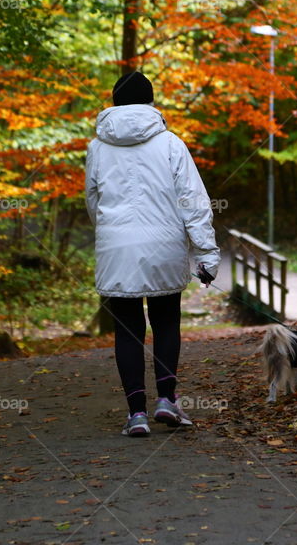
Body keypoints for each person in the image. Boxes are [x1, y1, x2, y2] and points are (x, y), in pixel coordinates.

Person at [85, 71, 221, 437]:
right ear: (150, 103)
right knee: (165, 322)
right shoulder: (171, 144)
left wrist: (110, 234)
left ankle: (135, 414)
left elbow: (93, 200)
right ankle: (166, 399)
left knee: (127, 331)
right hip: (164, 246)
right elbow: (193, 202)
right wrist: (205, 253)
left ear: (114, 103)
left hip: (117, 248)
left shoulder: (98, 147)